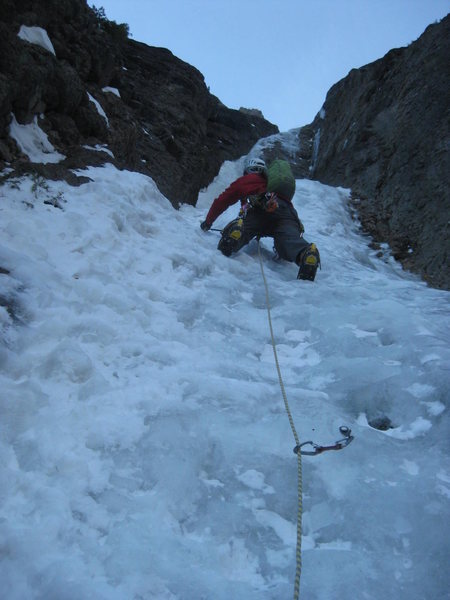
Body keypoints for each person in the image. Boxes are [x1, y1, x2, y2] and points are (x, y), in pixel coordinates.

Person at [200, 157, 321, 281]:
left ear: (248, 171)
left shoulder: (248, 180)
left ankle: (236, 233)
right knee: (289, 240)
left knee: (245, 227)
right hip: (286, 213)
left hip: (260, 210)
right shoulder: (274, 184)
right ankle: (305, 253)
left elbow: (223, 200)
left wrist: (208, 222)